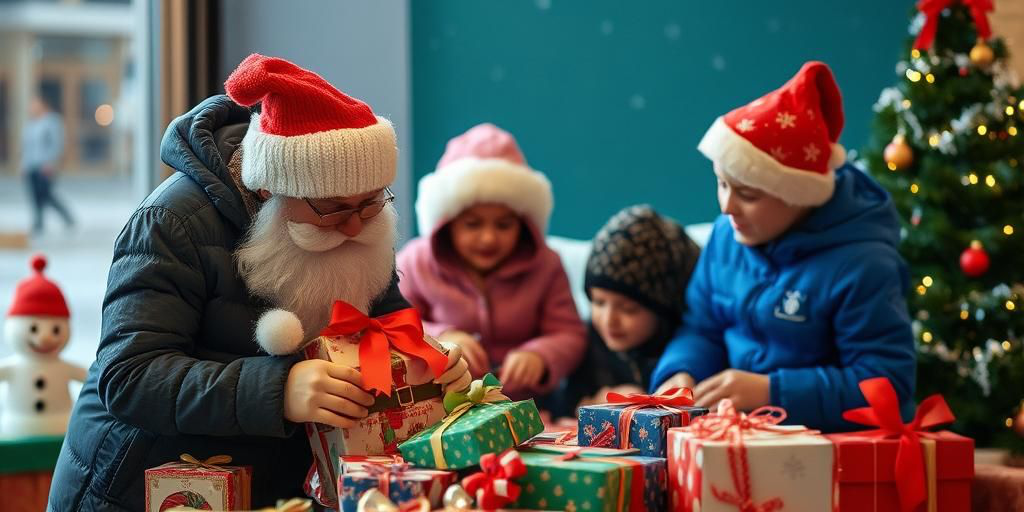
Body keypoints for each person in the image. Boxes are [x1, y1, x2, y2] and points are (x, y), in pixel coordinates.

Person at [48, 54, 469, 511]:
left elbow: (385, 326)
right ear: (269, 188)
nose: (353, 226)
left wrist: (430, 363)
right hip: (144, 485)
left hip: (284, 488)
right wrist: (277, 390)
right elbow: (130, 377)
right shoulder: (172, 223)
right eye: (332, 208)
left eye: (371, 202)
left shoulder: (362, 225)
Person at [651, 61, 916, 432]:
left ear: (797, 194)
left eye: (747, 194)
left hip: (823, 449)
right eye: (722, 184)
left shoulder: (864, 264)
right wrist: (682, 372)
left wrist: (772, 391)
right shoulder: (726, 237)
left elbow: (886, 388)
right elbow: (701, 328)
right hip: (736, 437)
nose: (726, 207)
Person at [396, 123, 586, 401]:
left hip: (524, 406)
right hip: (440, 404)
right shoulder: (415, 262)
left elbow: (570, 333)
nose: (488, 238)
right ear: (447, 223)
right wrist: (443, 338)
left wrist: (540, 355)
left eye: (504, 225)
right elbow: (393, 325)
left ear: (523, 223)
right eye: (473, 224)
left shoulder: (547, 264)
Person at [562, 205, 699, 414]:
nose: (608, 320)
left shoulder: (687, 352)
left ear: (663, 310)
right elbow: (562, 403)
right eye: (598, 302)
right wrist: (591, 404)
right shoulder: (587, 342)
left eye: (628, 309)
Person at [21, 95, 74, 234]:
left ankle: (67, 216)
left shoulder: (52, 121)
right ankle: (38, 223)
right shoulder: (31, 123)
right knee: (35, 196)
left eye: (35, 104)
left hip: (45, 166)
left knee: (46, 195)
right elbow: (27, 147)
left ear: (43, 105)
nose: (32, 108)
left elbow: (57, 144)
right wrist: (24, 165)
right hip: (31, 165)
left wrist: (51, 163)